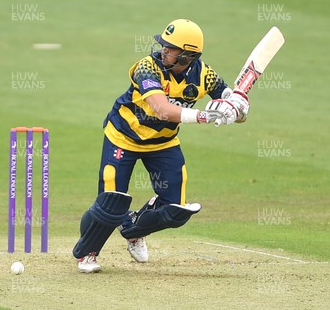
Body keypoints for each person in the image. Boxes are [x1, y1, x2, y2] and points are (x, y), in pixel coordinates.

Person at [72, 19, 250, 273]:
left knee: (174, 209)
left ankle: (134, 231)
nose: (163, 50)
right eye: (164, 46)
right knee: (111, 203)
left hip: (163, 144)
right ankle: (87, 253)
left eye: (170, 48)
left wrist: (237, 109)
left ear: (188, 55)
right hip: (123, 136)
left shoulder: (205, 75)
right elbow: (162, 109)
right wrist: (204, 116)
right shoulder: (147, 67)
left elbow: (229, 102)